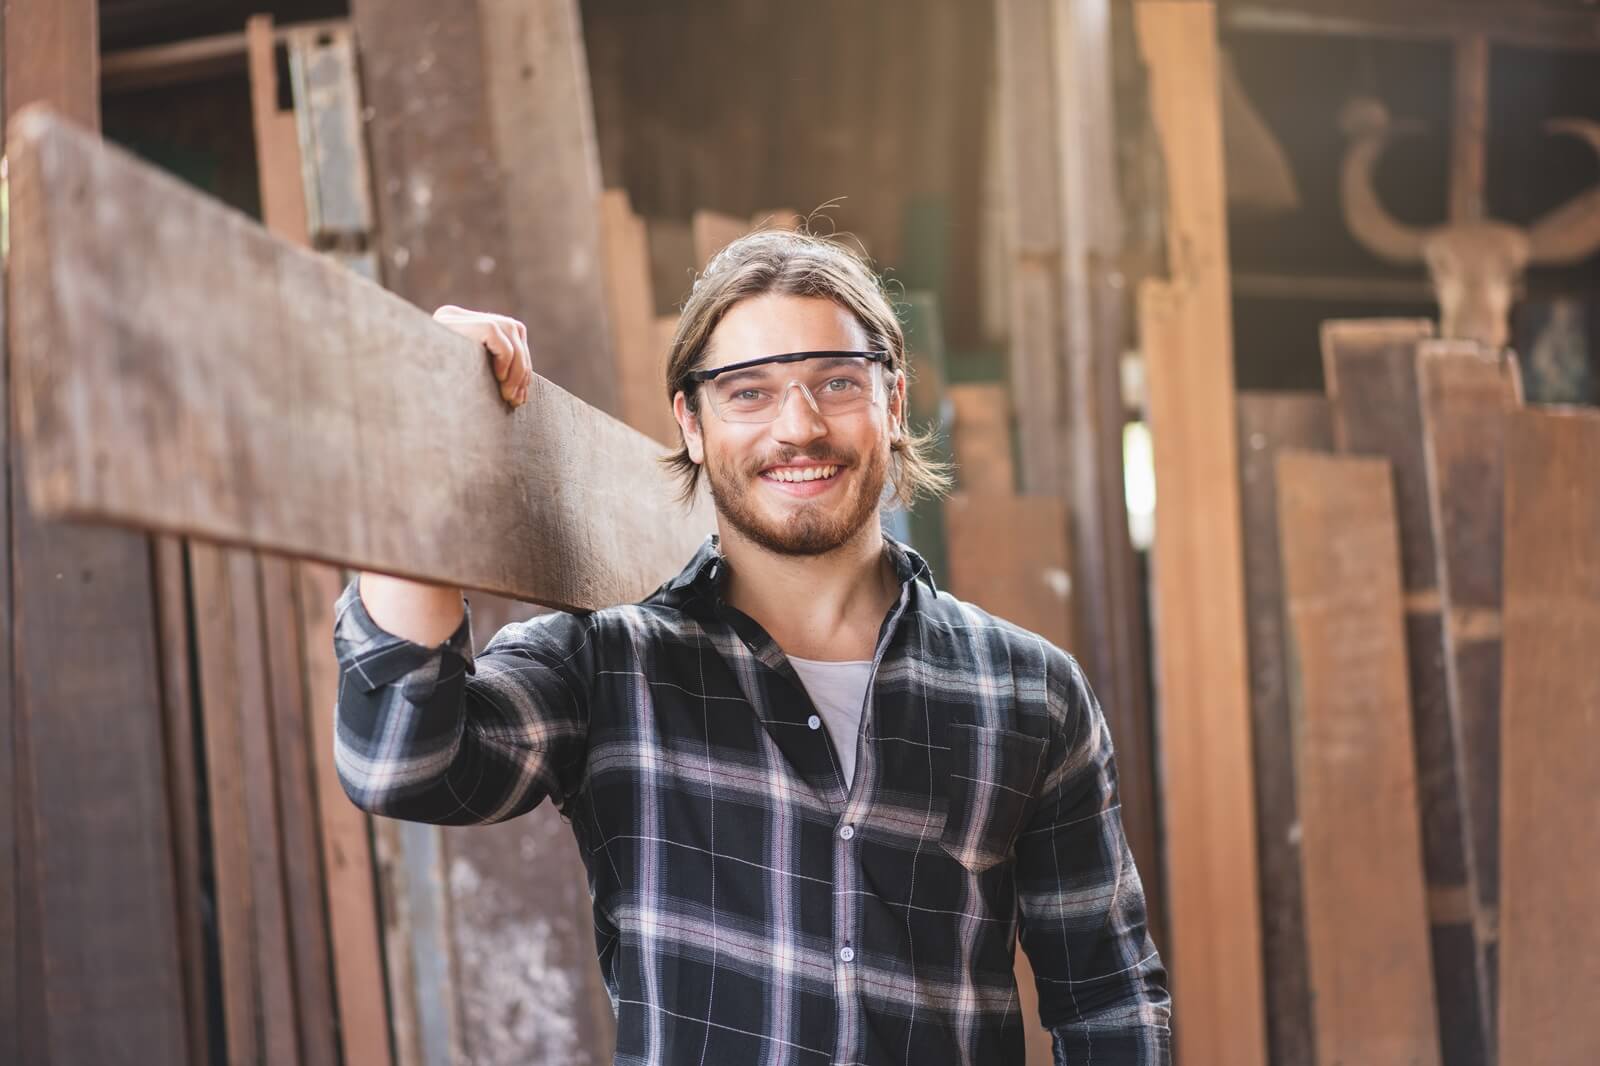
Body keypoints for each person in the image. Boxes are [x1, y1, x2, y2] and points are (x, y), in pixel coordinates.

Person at [336, 229, 1171, 1065]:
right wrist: (427, 429)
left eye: (837, 383)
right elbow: (399, 762)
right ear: (691, 424)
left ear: (895, 403)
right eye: (749, 393)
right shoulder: (612, 666)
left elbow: (1107, 998)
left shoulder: (1029, 692)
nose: (799, 427)